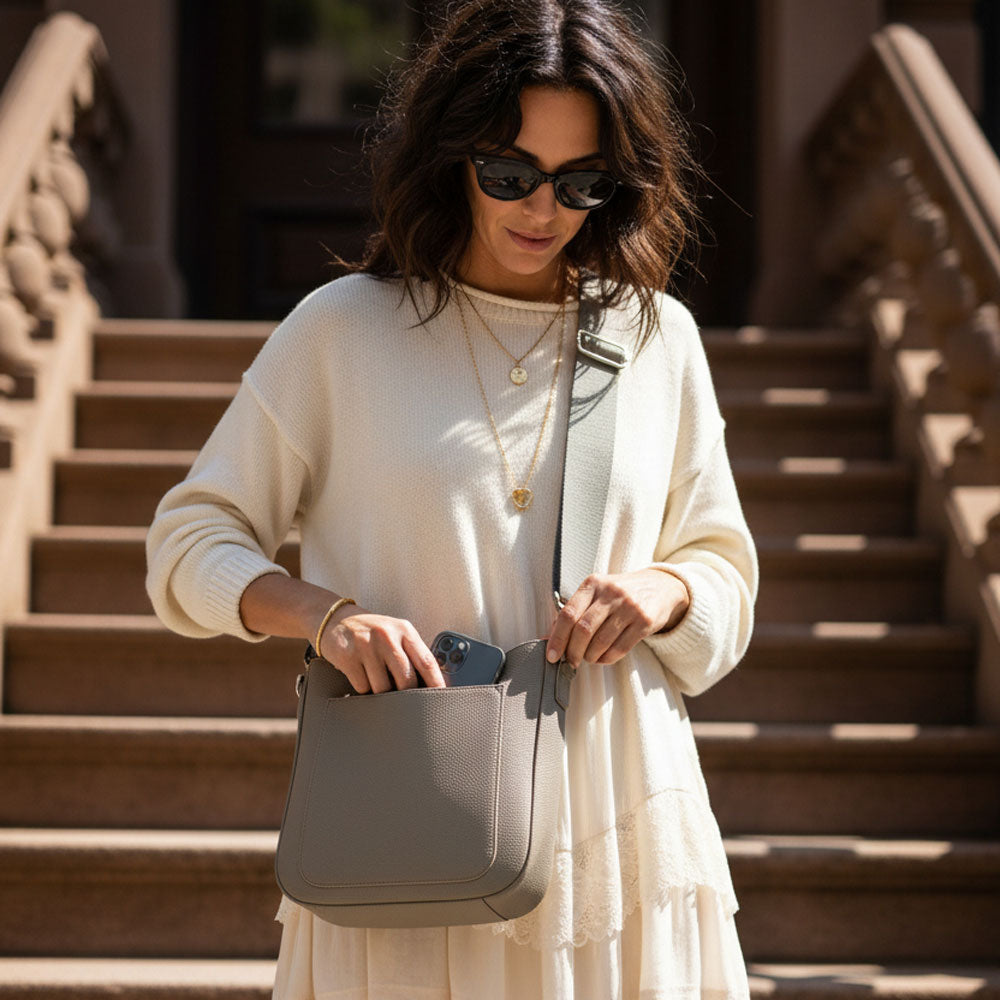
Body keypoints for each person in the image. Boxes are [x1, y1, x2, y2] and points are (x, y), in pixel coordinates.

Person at [145, 0, 758, 996]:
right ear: (450, 157)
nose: (542, 208)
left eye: (580, 181)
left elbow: (724, 572)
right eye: (509, 173)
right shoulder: (342, 333)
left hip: (617, 818)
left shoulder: (655, 339)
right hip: (407, 818)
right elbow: (187, 542)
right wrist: (322, 617)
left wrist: (666, 594)